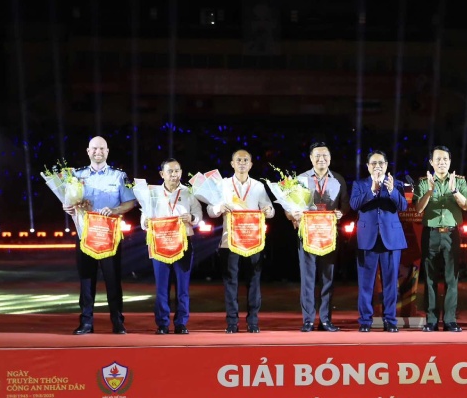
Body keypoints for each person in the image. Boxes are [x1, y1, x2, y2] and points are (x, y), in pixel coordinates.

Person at [65, 136, 137, 335]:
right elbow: (69, 202)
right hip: (85, 234)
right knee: (87, 279)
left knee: (113, 280)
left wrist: (114, 210)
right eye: (94, 148)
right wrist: (70, 207)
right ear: (88, 151)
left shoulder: (119, 176)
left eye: (102, 149)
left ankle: (118, 321)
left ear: (107, 151)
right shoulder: (76, 176)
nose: (98, 152)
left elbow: (130, 202)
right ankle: (86, 322)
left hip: (109, 236)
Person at [207, 149, 276, 333]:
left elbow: (270, 209)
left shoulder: (258, 186)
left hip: (253, 240)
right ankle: (232, 322)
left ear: (251, 164)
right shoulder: (222, 184)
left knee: (254, 280)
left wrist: (269, 210)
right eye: (239, 160)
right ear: (232, 164)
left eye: (246, 160)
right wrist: (220, 206)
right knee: (231, 282)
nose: (242, 163)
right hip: (229, 240)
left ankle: (253, 322)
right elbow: (210, 211)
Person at [287, 142, 349, 332]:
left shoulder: (338, 179)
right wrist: (292, 215)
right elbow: (289, 207)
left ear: (330, 158)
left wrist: (341, 213)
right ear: (311, 158)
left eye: (325, 156)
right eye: (318, 156)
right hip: (307, 234)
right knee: (308, 278)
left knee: (327, 278)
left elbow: (345, 204)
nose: (321, 159)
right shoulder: (300, 180)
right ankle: (307, 320)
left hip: (328, 235)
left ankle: (325, 320)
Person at [141, 158, 203, 335]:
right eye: (170, 171)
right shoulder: (152, 193)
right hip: (159, 243)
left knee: (182, 287)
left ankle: (181, 323)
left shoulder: (189, 192)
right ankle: (162, 323)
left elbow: (199, 215)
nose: (174, 175)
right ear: (162, 174)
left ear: (181, 173)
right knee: (162, 287)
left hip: (183, 244)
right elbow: (144, 217)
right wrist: (145, 222)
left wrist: (191, 218)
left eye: (177, 171)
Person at [415, 145, 467, 332]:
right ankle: (431, 320)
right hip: (430, 233)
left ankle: (449, 320)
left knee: (451, 278)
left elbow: (466, 206)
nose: (442, 163)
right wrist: (430, 191)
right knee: (430, 278)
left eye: (445, 159)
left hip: (451, 233)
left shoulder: (459, 181)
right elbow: (418, 209)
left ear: (450, 161)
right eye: (438, 159)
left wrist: (454, 191)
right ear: (431, 162)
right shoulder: (424, 182)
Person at [349, 150, 408, 332]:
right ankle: (365, 321)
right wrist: (372, 190)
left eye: (381, 163)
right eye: (373, 163)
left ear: (386, 165)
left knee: (391, 283)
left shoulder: (395, 183)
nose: (377, 166)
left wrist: (391, 191)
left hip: (391, 239)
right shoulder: (360, 184)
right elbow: (354, 204)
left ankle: (390, 320)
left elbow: (403, 206)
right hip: (368, 239)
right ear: (367, 166)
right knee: (366, 284)